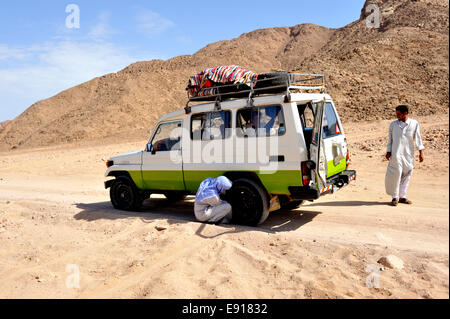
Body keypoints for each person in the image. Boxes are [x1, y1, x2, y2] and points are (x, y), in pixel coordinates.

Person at [385, 105, 425, 206]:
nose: (397, 116)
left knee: (407, 174)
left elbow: (418, 138)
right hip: (396, 154)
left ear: (405, 113)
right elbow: (390, 139)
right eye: (396, 114)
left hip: (408, 154)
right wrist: (388, 151)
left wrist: (421, 153)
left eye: (399, 114)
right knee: (396, 174)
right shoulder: (393, 125)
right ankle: (395, 197)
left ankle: (402, 197)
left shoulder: (414, 123)